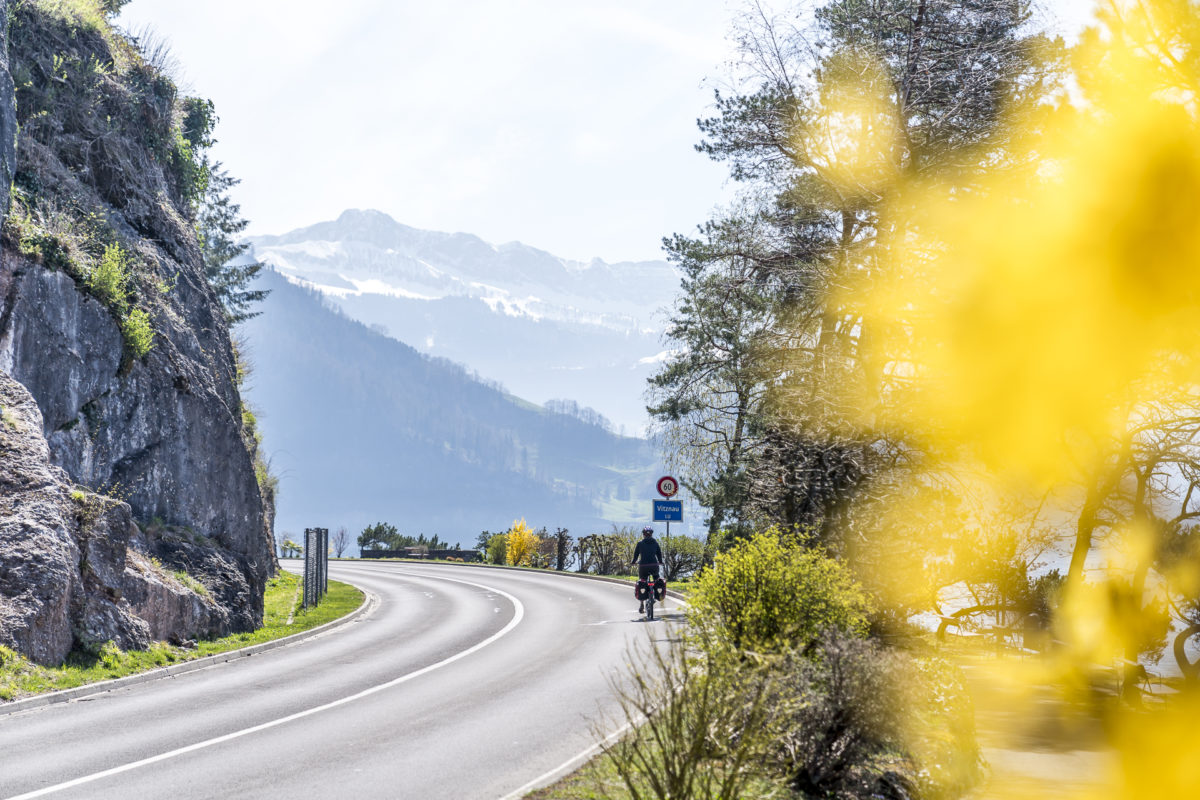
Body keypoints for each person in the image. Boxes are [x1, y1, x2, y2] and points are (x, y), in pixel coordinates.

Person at [631, 525, 664, 614]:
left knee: (642, 581)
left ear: (644, 534)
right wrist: (660, 561)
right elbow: (659, 554)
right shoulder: (655, 543)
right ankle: (656, 593)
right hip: (654, 566)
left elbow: (636, 555)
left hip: (643, 566)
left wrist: (633, 562)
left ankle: (642, 604)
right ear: (651, 534)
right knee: (657, 579)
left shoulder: (640, 543)